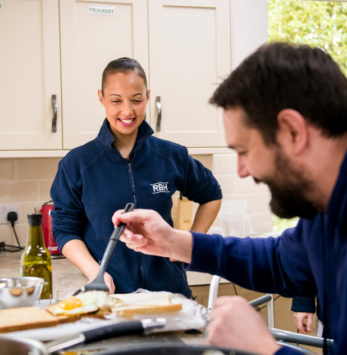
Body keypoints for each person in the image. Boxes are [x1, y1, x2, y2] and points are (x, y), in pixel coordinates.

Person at [113, 43, 347, 355]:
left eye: (244, 151)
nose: (241, 170)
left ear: (292, 131)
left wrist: (265, 348)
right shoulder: (324, 208)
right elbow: (282, 263)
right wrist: (174, 242)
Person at [51, 57, 222, 297]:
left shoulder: (172, 155)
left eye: (136, 100)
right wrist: (96, 273)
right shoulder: (77, 164)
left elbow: (212, 195)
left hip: (171, 296)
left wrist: (188, 246)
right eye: (116, 100)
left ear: (148, 96)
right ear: (101, 98)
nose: (127, 111)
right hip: (110, 297)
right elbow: (64, 229)